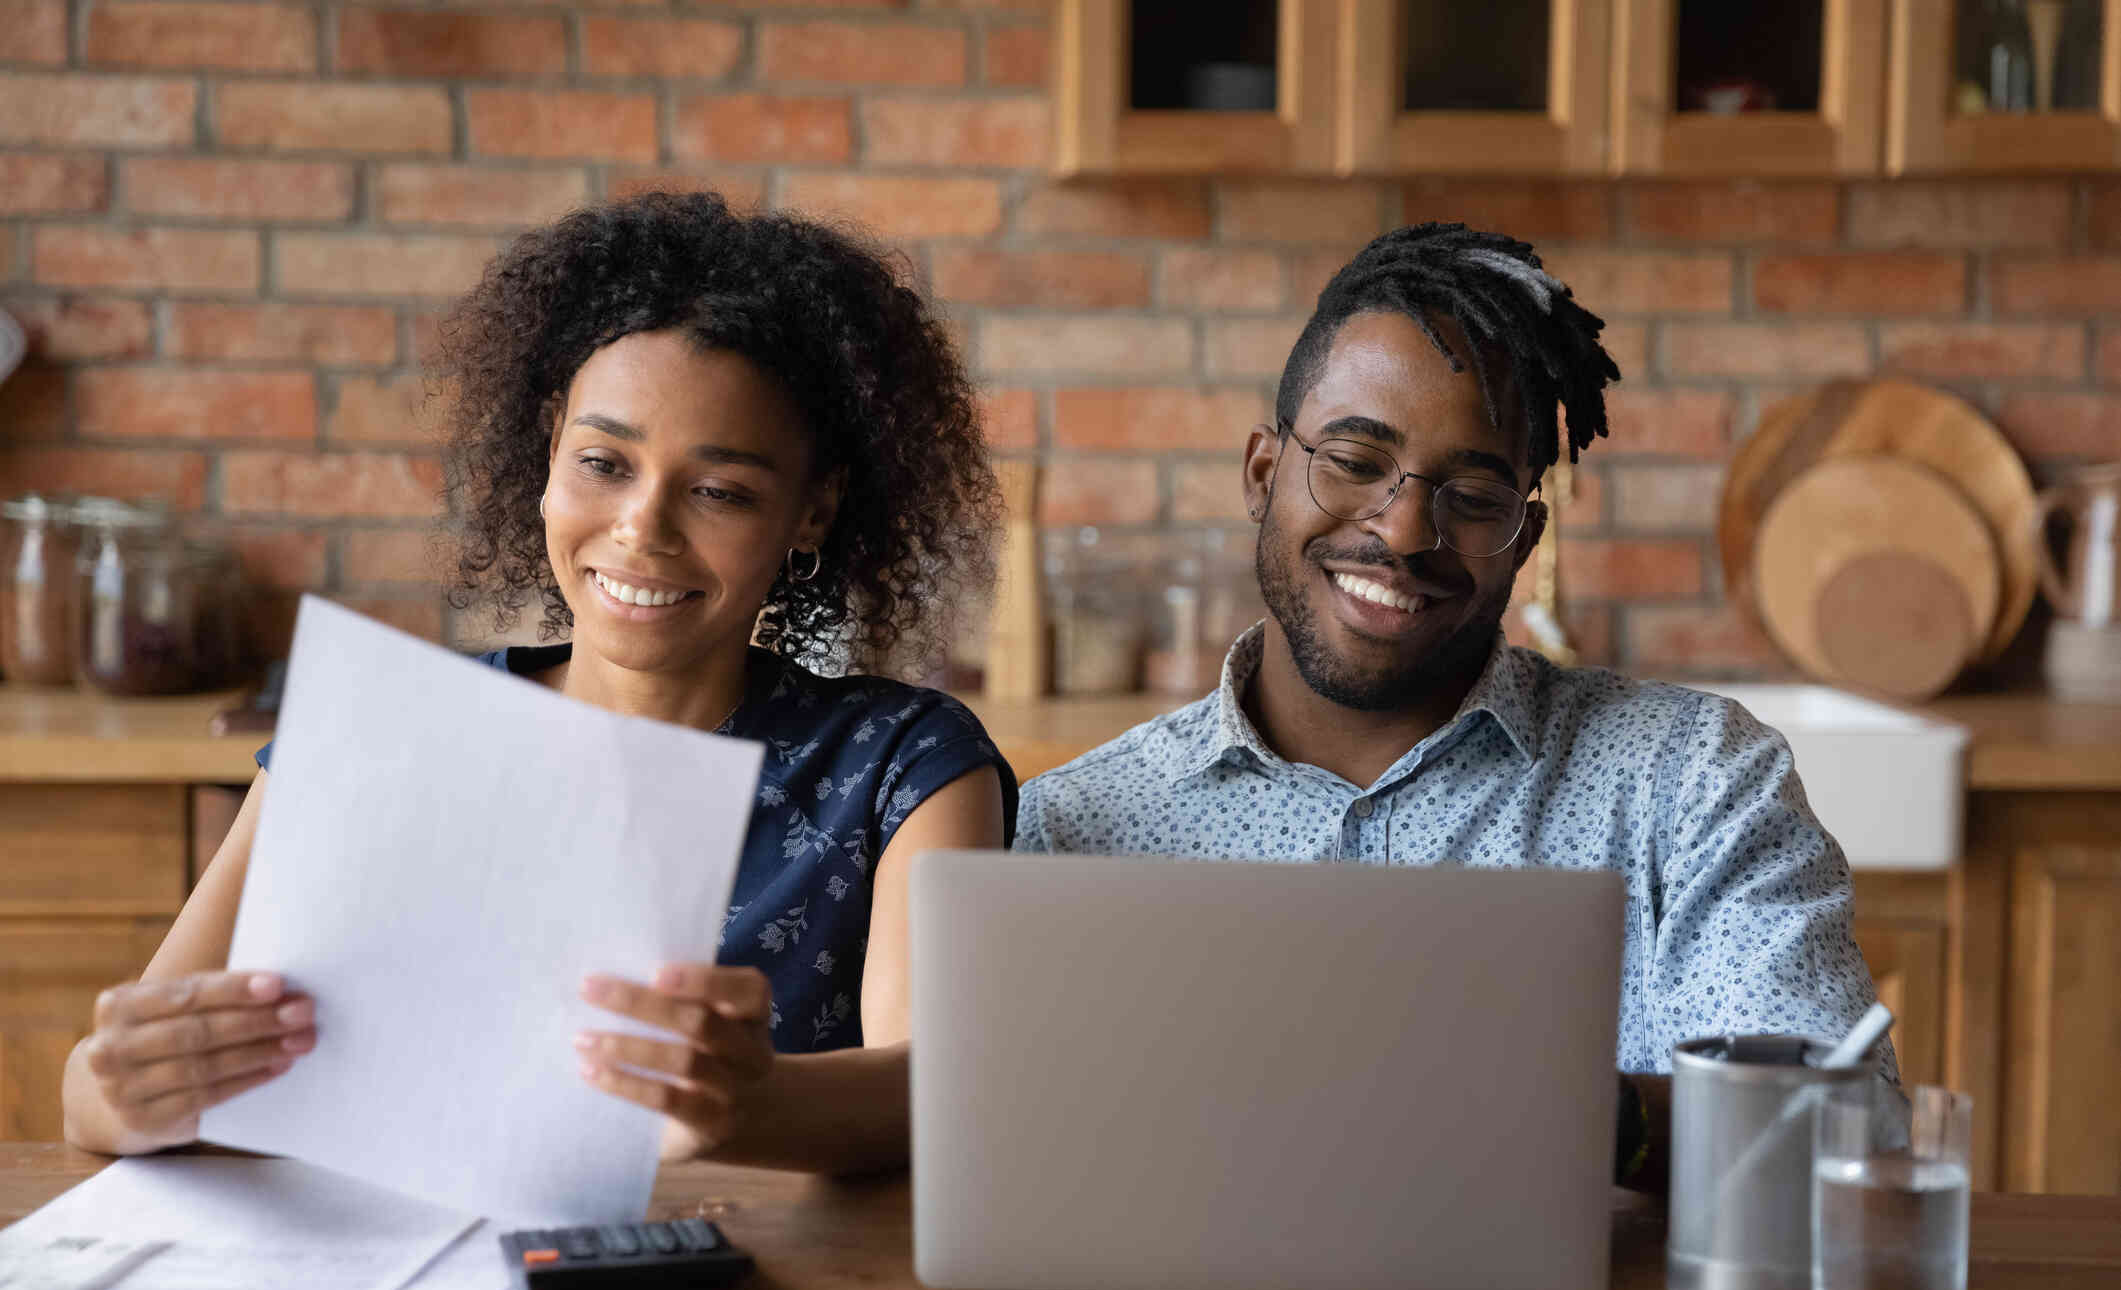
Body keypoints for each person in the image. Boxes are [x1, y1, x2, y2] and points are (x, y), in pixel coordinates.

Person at [63, 192, 1013, 1176]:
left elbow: (938, 1085)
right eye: (605, 462)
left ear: (812, 511)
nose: (643, 527)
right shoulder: (374, 730)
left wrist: (754, 1103)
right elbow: (102, 1083)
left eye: (721, 490)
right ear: (550, 447)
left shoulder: (905, 766)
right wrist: (121, 1088)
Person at [1013, 222, 1891, 1190]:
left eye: (1473, 494)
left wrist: (1560, 1110)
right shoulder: (1075, 827)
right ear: (1264, 475)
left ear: (1524, 538)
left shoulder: (1695, 785)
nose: (1402, 530)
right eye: (1352, 460)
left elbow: (1848, 1130)